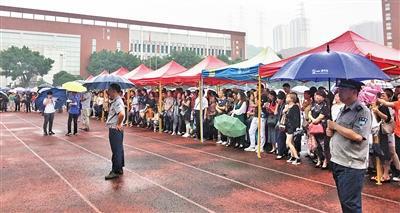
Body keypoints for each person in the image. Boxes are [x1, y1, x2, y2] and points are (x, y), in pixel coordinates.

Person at [327, 79, 371, 213]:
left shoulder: (362, 111)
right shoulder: (343, 109)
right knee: (345, 201)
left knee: (350, 203)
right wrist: (331, 130)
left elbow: (358, 136)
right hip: (339, 161)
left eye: (343, 89)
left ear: (353, 91)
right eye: (339, 89)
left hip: (351, 164)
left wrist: (335, 126)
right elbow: (339, 130)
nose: (339, 92)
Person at [105, 83, 126, 180]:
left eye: (109, 90)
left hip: (115, 128)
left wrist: (118, 124)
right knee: (119, 149)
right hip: (116, 128)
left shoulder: (117, 101)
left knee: (116, 150)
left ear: (114, 91)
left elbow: (121, 114)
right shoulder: (116, 100)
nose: (108, 92)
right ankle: (119, 168)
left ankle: (115, 170)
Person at [283, 92, 301, 165]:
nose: (286, 99)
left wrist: (296, 127)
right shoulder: (287, 106)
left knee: (288, 142)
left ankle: (297, 157)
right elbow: (283, 115)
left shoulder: (295, 107)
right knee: (291, 142)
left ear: (291, 99)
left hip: (291, 127)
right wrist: (285, 110)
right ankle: (292, 156)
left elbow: (297, 118)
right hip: (287, 126)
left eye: (288, 97)